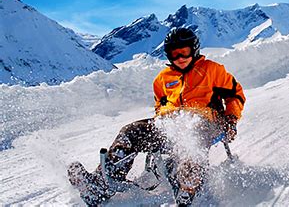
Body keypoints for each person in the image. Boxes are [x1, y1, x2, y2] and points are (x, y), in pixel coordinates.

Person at [68, 27, 246, 205]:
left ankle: (188, 183)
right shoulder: (162, 78)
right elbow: (160, 107)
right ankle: (101, 185)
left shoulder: (212, 70)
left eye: (184, 52)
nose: (180, 59)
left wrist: (230, 120)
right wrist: (163, 120)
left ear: (194, 49)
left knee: (191, 135)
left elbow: (235, 95)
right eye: (174, 54)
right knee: (132, 130)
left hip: (205, 122)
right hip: (169, 124)